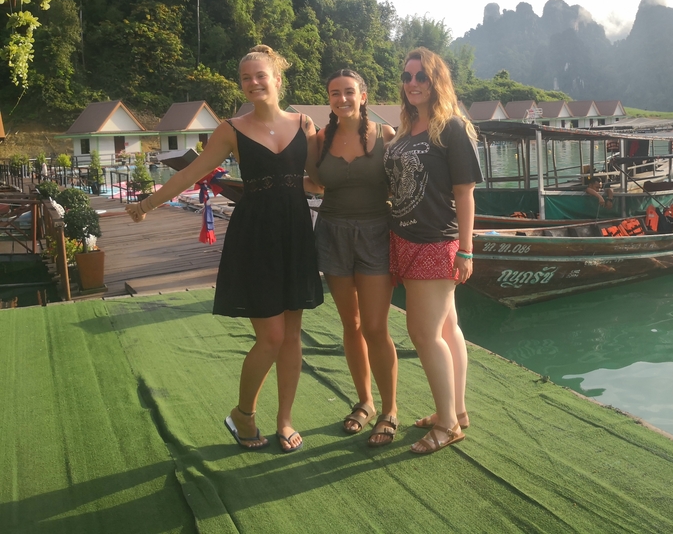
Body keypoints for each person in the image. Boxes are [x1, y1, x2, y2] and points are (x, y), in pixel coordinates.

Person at [125, 44, 323, 454]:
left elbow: (322, 177)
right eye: (246, 77)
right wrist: (145, 205)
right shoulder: (231, 129)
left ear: (277, 79)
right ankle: (243, 413)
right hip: (254, 237)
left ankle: (285, 420)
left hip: (295, 233)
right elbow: (192, 174)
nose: (253, 82)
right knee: (270, 337)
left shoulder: (305, 125)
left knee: (292, 337)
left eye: (260, 75)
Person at [384, 47, 483, 455]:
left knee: (423, 333)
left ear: (436, 80)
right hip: (404, 238)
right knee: (447, 328)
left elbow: (465, 193)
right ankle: (455, 411)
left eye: (421, 76)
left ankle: (446, 425)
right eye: (407, 77)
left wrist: (466, 250)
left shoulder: (451, 129)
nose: (412, 84)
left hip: (436, 243)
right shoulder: (407, 132)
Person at [310, 69, 399, 447]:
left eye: (349, 92)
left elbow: (405, 182)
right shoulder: (319, 139)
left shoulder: (386, 136)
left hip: (377, 234)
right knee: (351, 324)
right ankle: (364, 401)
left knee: (376, 327)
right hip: (332, 234)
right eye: (335, 93)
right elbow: (313, 183)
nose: (342, 99)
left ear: (364, 95)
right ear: (328, 99)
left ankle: (390, 409)